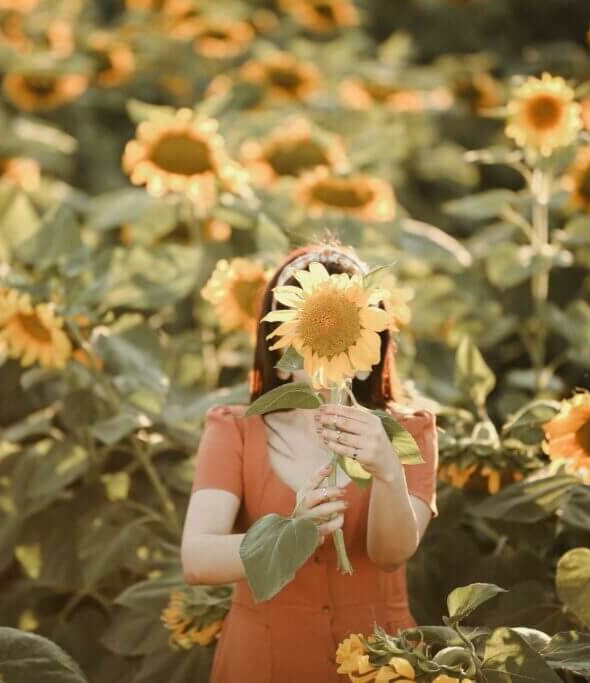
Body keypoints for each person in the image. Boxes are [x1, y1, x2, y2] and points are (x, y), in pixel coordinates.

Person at [181, 241, 440, 682]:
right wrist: (292, 529)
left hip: (380, 663)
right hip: (265, 662)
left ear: (368, 349)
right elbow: (198, 559)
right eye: (309, 332)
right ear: (281, 359)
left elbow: (391, 555)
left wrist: (387, 470)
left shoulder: (407, 433)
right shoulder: (236, 431)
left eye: (348, 329)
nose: (328, 342)